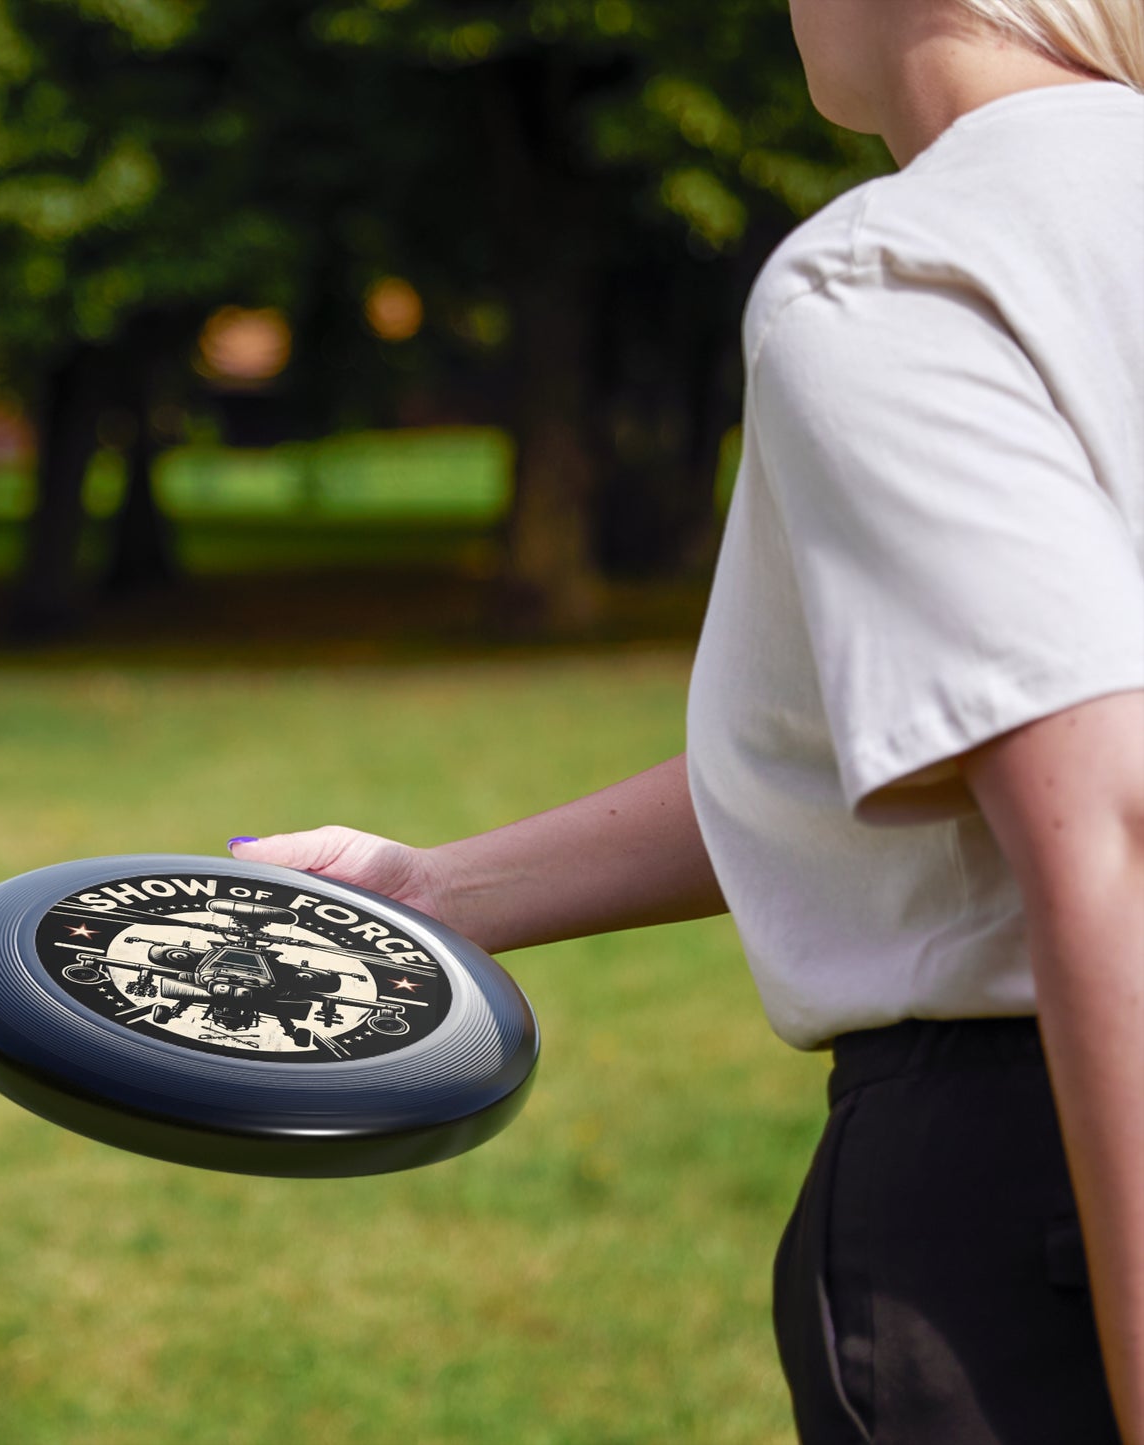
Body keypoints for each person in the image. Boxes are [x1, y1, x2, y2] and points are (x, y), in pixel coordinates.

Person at [226, 2, 1144, 1440]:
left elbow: (1109, 822)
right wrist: (438, 890)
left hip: (1041, 1192)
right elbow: (918, 739)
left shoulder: (903, 270)